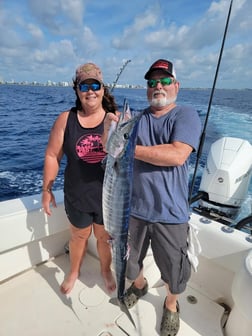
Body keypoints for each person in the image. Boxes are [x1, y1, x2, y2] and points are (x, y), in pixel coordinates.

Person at [102, 59, 201, 336]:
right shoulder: (136, 120)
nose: (158, 86)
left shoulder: (185, 115)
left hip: (171, 213)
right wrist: (110, 128)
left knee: (174, 270)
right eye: (152, 82)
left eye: (165, 80)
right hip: (131, 211)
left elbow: (177, 154)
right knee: (130, 263)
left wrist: (128, 148)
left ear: (176, 85)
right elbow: (109, 148)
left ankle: (170, 305)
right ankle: (139, 284)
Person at [42, 62, 117, 295]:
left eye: (95, 85)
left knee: (104, 239)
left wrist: (114, 127)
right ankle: (74, 270)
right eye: (84, 86)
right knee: (78, 236)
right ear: (76, 90)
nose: (90, 91)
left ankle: (106, 270)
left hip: (108, 199)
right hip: (77, 195)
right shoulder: (66, 119)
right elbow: (52, 155)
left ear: (103, 89)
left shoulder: (115, 121)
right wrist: (47, 189)